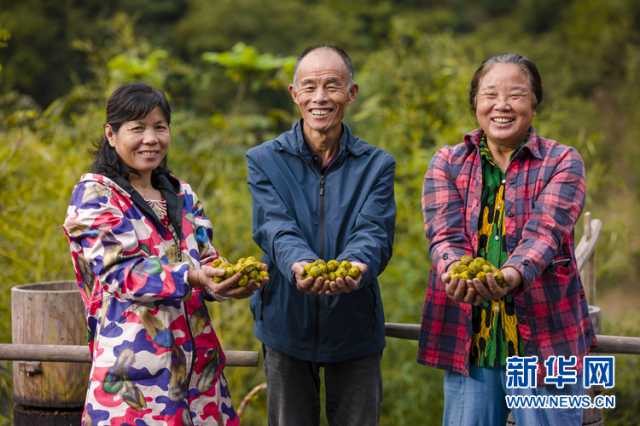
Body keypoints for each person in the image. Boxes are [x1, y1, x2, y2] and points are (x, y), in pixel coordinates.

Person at [63, 83, 263, 425]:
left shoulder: (181, 193)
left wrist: (224, 281)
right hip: (137, 376)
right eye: (137, 128)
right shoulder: (95, 196)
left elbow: (206, 258)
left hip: (198, 376)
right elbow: (123, 274)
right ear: (111, 134)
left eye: (160, 127)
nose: (151, 138)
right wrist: (194, 277)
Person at [418, 53, 596, 426]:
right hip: (471, 344)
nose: (502, 105)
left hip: (547, 345)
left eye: (515, 95)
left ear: (534, 102)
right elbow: (444, 235)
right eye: (490, 94)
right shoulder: (447, 163)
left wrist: (511, 275)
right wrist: (453, 270)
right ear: (475, 103)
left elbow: (545, 233)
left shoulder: (562, 161)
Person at [246, 45, 396, 426]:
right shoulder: (263, 160)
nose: (320, 97)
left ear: (351, 93)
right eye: (309, 86)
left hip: (355, 323)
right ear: (294, 94)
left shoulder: (376, 164)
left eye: (332, 85)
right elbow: (274, 226)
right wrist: (302, 264)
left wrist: (355, 266)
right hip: (285, 322)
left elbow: (374, 231)